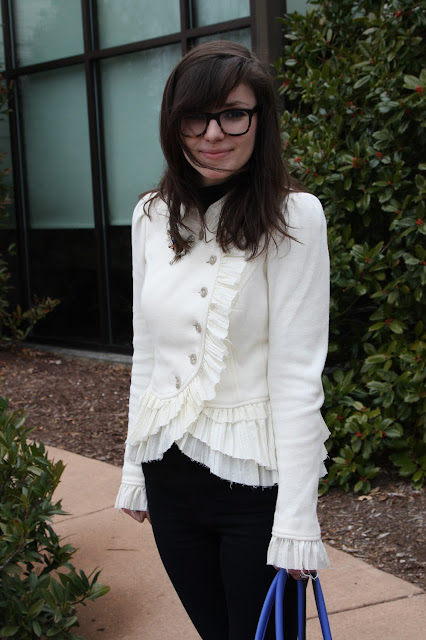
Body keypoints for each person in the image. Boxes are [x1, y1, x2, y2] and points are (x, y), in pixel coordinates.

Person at [115, 40, 330, 640]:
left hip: (255, 490)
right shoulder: (150, 216)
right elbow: (147, 355)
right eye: (196, 116)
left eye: (233, 113)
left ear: (260, 119)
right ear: (174, 124)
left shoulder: (295, 218)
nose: (214, 133)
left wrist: (297, 521)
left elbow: (296, 375)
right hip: (170, 480)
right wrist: (134, 468)